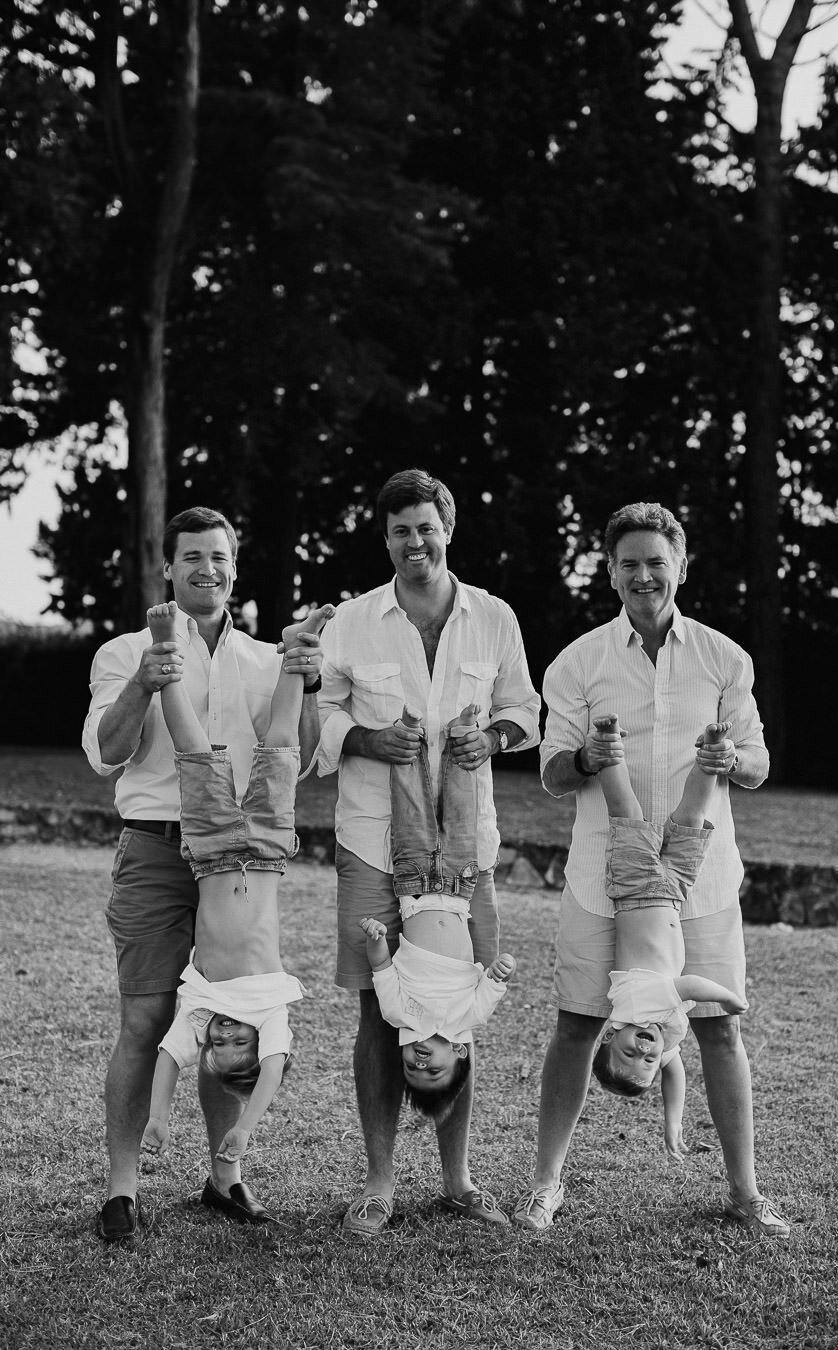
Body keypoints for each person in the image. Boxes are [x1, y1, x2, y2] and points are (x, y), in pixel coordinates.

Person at [514, 501, 790, 1238]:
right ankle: (546, 1185)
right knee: (576, 1026)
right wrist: (583, 761)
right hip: (603, 874)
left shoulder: (726, 659)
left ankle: (744, 1192)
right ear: (611, 572)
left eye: (656, 563)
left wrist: (733, 760)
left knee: (719, 1034)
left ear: (681, 567)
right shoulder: (577, 662)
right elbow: (549, 773)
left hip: (702, 874)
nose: (644, 576)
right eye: (629, 563)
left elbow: (759, 762)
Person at [83, 506, 325, 1243]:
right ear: (169, 566)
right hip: (158, 847)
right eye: (192, 557)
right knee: (147, 1021)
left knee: (237, 1016)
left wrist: (308, 684)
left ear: (234, 565)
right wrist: (142, 686)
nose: (207, 569)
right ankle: (123, 1190)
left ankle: (225, 1178)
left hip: (242, 862)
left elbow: (301, 757)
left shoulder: (262, 659)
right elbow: (106, 752)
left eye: (218, 557)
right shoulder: (122, 652)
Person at [318, 468, 541, 1237]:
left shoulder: (495, 617)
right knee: (378, 1014)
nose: (417, 541)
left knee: (455, 1009)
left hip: (467, 846)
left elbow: (525, 708)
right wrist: (367, 739)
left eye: (427, 527)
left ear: (449, 529)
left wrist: (499, 736)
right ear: (386, 538)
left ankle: (457, 1179)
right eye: (401, 530)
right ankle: (379, 1181)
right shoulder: (350, 621)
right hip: (370, 839)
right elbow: (322, 715)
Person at [140, 599, 334, 1182]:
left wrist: (157, 1119)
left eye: (216, 1045)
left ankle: (167, 646)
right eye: (235, 1044)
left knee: (193, 754)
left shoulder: (200, 1008)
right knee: (281, 747)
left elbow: (169, 1059)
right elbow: (273, 1072)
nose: (223, 1035)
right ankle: (295, 648)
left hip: (209, 855)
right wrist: (242, 1129)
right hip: (269, 855)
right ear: (255, 1040)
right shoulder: (269, 1012)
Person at [589, 714, 747, 1158]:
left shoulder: (633, 1007)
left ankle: (607, 746)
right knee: (691, 818)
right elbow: (673, 1069)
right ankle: (712, 750)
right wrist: (671, 1122)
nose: (645, 1051)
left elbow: (691, 986)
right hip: (674, 892)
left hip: (636, 889)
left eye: (630, 1052)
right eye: (647, 1060)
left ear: (610, 1036)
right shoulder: (662, 1031)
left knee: (627, 814)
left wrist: (732, 1001)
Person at [360, 705, 518, 1122]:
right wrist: (501, 970)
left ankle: (409, 737)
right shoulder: (471, 1016)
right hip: (461, 886)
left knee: (410, 808)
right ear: (459, 1052)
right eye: (434, 1069)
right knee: (461, 810)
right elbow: (494, 982)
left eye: (413, 1069)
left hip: (412, 884)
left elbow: (382, 971)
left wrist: (377, 941)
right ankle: (462, 733)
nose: (420, 1061)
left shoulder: (397, 1015)